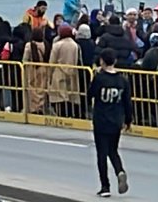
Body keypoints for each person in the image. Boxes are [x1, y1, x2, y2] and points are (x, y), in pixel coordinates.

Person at [88, 49, 132, 197]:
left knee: (102, 153)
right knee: (113, 150)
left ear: (102, 61)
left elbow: (90, 94)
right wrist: (128, 120)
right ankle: (120, 171)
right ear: (115, 61)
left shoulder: (99, 78)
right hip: (116, 120)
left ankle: (105, 186)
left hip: (101, 119)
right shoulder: (122, 80)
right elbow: (127, 102)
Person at [48, 24, 83, 118]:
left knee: (59, 96)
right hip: (72, 72)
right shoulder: (75, 45)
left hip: (59, 72)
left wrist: (49, 75)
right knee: (71, 95)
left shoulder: (57, 45)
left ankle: (61, 114)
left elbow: (52, 61)